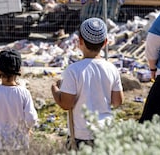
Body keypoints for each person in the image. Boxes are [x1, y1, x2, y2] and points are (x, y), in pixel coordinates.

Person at [52, 17, 124, 150]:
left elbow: (66, 104)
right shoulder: (112, 69)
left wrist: (55, 90)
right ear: (105, 42)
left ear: (80, 41)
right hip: (106, 133)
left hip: (81, 136)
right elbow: (117, 101)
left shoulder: (73, 71)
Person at [0, 49, 38, 153]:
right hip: (19, 144)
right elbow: (32, 118)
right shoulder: (24, 93)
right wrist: (27, 128)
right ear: (20, 70)